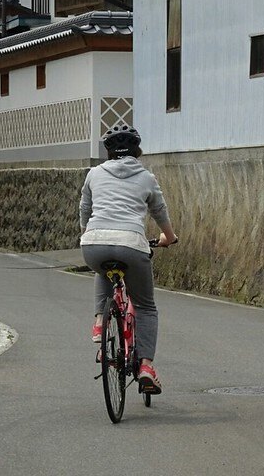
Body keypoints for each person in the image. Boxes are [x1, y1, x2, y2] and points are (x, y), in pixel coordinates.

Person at [79, 124, 178, 394]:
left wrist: (88, 234)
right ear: (138, 150)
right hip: (131, 244)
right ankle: (146, 366)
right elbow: (159, 210)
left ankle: (100, 323)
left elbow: (85, 208)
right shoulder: (146, 177)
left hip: (93, 243)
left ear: (108, 152)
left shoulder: (94, 173)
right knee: (145, 307)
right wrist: (168, 236)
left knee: (103, 270)